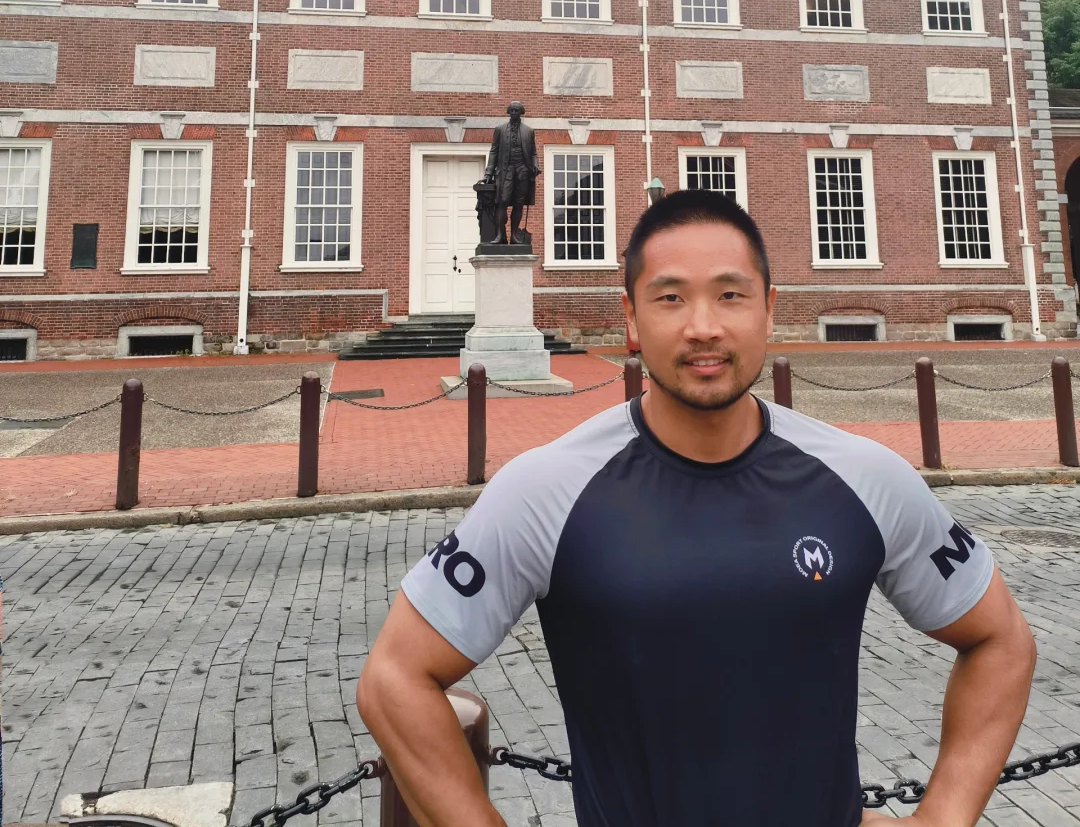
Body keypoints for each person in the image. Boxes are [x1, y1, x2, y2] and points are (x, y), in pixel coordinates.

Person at [358, 190, 1036, 827]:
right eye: (671, 298)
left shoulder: (864, 476)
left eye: (730, 296)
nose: (703, 327)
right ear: (631, 318)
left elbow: (1001, 639)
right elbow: (395, 678)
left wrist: (943, 816)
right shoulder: (544, 489)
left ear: (768, 308)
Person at [483, 102, 539, 245]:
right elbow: (494, 151)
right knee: (502, 202)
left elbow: (533, 153)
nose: (514, 113)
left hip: (523, 170)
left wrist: (535, 166)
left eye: (517, 110)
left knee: (519, 204)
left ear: (521, 113)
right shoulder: (500, 130)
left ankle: (514, 235)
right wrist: (489, 173)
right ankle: (500, 235)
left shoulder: (529, 131)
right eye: (512, 110)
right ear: (509, 112)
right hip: (505, 170)